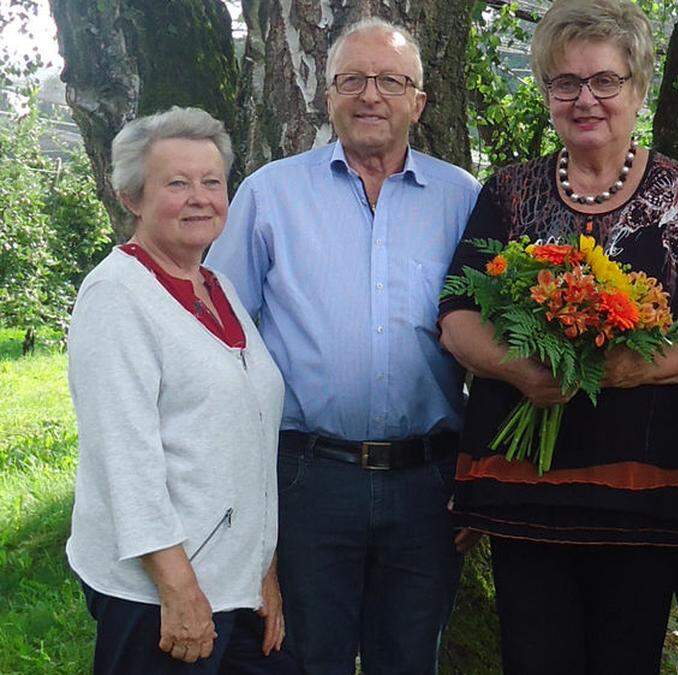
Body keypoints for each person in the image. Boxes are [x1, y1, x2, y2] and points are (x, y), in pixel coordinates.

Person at [437, 1, 678, 672]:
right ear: (548, 94)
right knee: (533, 657)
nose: (585, 98)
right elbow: (456, 315)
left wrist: (644, 367)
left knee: (626, 658)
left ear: (637, 88)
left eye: (605, 81)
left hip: (642, 496)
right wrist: (519, 368)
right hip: (526, 495)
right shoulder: (510, 192)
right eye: (566, 83)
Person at [204, 17, 481, 675]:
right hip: (308, 478)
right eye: (350, 79)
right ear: (326, 95)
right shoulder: (269, 196)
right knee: (306, 656)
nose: (369, 95)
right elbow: (219, 343)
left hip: (428, 483)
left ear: (418, 100)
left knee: (410, 658)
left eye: (390, 80)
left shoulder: (463, 198)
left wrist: (481, 478)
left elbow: (492, 347)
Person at [66, 107, 291, 674]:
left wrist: (262, 570)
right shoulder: (117, 297)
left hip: (233, 584)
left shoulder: (216, 285)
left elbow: (247, 437)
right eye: (177, 183)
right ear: (132, 197)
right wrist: (179, 590)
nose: (200, 197)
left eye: (212, 182)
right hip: (159, 598)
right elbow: (126, 461)